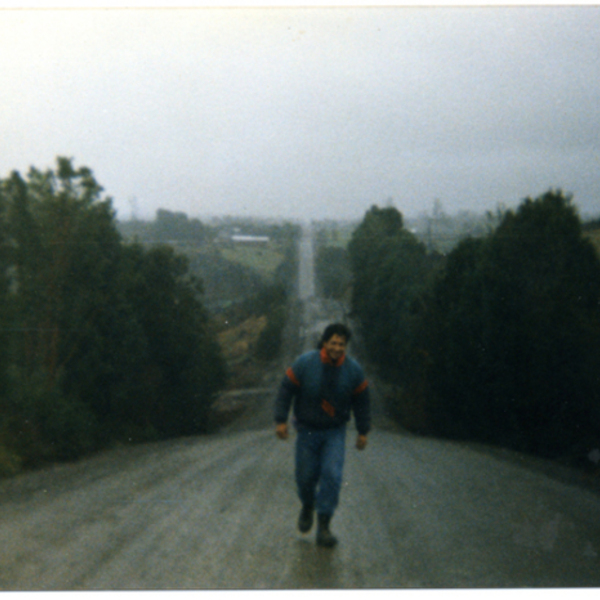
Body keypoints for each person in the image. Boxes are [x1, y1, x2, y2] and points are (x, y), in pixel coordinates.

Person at [274, 323, 371, 547]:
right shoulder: (305, 363)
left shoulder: (353, 371)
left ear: (346, 347)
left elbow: (363, 401)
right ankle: (308, 506)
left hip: (334, 432)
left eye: (342, 344)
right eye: (333, 343)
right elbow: (286, 388)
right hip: (307, 430)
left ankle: (324, 526)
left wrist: (363, 431)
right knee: (305, 476)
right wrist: (280, 420)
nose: (337, 348)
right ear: (325, 343)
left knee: (332, 475)